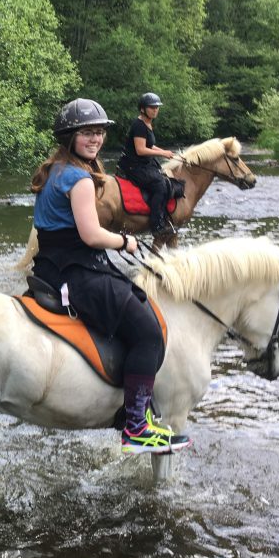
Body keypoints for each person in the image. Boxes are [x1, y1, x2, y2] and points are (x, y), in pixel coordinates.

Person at [31, 98, 190, 454]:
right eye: (87, 133)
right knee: (149, 333)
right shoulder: (79, 179)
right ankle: (135, 426)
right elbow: (91, 235)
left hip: (52, 267)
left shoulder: (54, 170)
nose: (96, 139)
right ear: (70, 136)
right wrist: (126, 240)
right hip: (78, 272)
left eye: (100, 133)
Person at [117, 92, 177, 236]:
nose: (155, 110)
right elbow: (141, 149)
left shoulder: (148, 123)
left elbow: (149, 145)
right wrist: (162, 154)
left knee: (165, 178)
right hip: (133, 165)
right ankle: (156, 225)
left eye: (157, 107)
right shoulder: (139, 126)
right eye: (152, 107)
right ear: (143, 109)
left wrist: (165, 151)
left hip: (142, 163)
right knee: (160, 185)